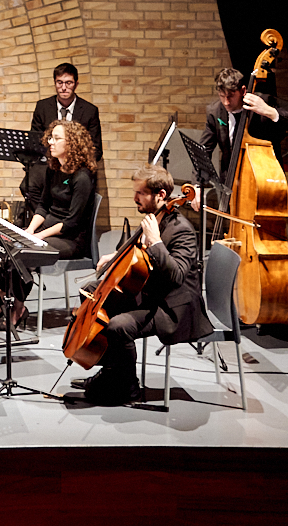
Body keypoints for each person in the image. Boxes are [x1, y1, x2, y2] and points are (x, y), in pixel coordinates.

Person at [75, 165, 206, 407]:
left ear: (161, 195)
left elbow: (177, 276)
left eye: (141, 193)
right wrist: (114, 256)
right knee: (93, 292)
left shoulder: (182, 231)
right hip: (150, 293)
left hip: (172, 306)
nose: (135, 198)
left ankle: (128, 387)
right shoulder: (155, 217)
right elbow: (138, 254)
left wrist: (155, 241)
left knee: (118, 325)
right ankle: (112, 371)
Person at [0, 119, 98, 331]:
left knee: (24, 251)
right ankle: (2, 302)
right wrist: (30, 230)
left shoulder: (82, 177)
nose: (50, 142)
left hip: (71, 239)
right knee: (4, 243)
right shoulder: (54, 169)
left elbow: (72, 223)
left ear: (72, 143)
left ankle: (18, 309)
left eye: (56, 138)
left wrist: (38, 237)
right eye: (51, 137)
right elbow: (43, 205)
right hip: (48, 231)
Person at [203, 66, 283, 190]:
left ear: (243, 91)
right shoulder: (215, 112)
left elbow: (284, 131)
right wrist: (197, 184)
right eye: (222, 96)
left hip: (261, 180)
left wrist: (271, 113)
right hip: (229, 182)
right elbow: (205, 150)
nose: (226, 102)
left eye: (230, 96)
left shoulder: (262, 104)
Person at [30, 63, 102, 164]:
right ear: (55, 83)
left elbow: (96, 150)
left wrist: (71, 163)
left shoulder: (89, 111)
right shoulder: (42, 107)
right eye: (59, 82)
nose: (63, 87)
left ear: (76, 84)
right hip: (48, 165)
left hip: (77, 166)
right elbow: (35, 142)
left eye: (68, 83)